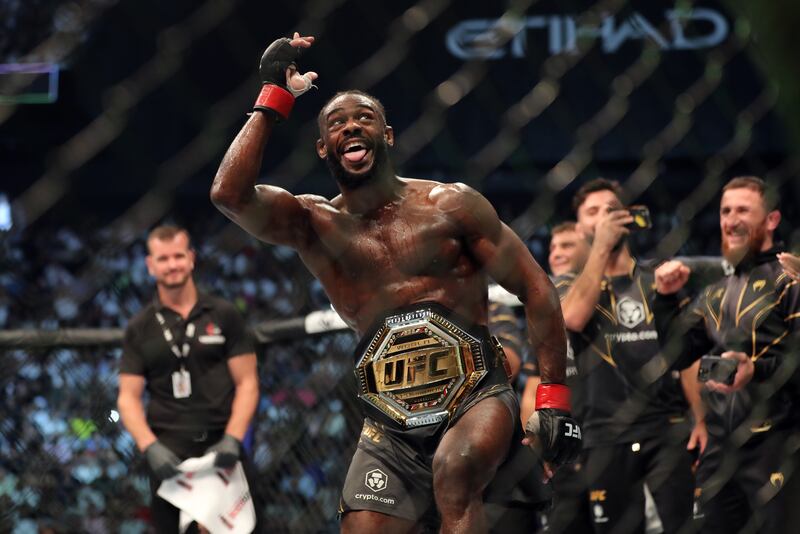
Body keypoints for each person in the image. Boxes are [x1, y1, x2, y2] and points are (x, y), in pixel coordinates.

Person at [210, 33, 581, 533]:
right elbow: (229, 194)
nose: (350, 126)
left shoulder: (450, 206)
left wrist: (553, 395)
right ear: (324, 148)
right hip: (389, 419)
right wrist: (272, 99)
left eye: (363, 117)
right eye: (336, 123)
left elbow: (536, 287)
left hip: (474, 395)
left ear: (387, 135)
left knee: (455, 472)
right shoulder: (314, 225)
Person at [653, 176, 800, 532]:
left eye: (743, 210)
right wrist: (665, 299)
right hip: (721, 448)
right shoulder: (715, 293)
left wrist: (758, 370)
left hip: (778, 440)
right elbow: (678, 354)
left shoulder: (789, 280)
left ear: (771, 220)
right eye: (725, 211)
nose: (731, 220)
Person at [558, 178, 696, 533]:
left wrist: (701, 419)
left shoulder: (659, 277)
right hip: (604, 434)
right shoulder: (564, 285)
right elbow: (573, 317)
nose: (603, 218)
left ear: (628, 217)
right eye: (593, 212)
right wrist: (600, 249)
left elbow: (687, 352)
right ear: (579, 227)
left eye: (610, 210)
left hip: (666, 427)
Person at [116, 225, 262, 533]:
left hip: (222, 445)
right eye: (163, 258)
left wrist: (233, 438)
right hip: (169, 451)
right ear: (150, 264)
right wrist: (149, 447)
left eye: (178, 256)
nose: (172, 265)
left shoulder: (224, 314)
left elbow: (247, 382)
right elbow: (128, 397)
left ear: (191, 258)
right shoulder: (140, 327)